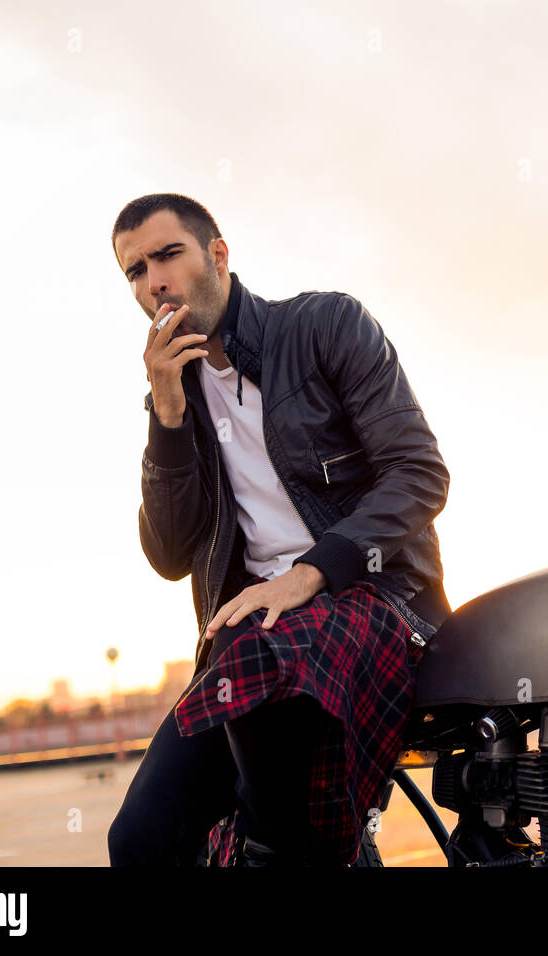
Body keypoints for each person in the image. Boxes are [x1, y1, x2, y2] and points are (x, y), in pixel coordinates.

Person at [106, 193, 451, 866]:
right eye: (135, 270)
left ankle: (290, 853)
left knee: (279, 836)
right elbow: (171, 555)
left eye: (168, 254)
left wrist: (309, 574)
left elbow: (419, 472)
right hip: (250, 641)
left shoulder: (324, 325)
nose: (155, 282)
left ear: (218, 254)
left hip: (376, 600)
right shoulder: (172, 395)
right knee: (141, 840)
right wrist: (168, 420)